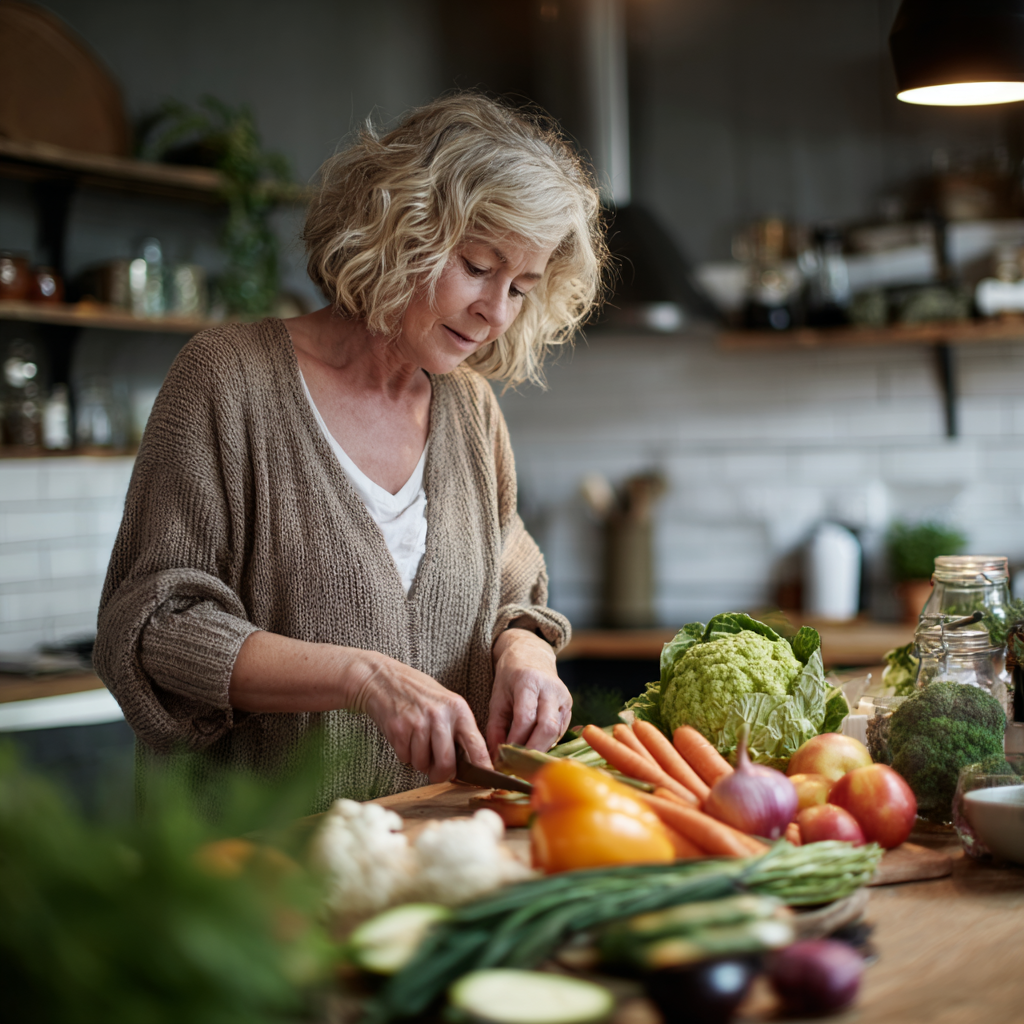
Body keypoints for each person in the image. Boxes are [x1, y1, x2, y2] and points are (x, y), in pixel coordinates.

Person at [95, 94, 607, 807]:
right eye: (478, 266)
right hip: (251, 871)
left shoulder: (469, 410)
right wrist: (363, 678)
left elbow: (510, 583)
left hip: (429, 855)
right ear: (402, 229)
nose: (496, 313)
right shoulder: (227, 380)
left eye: (521, 287)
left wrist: (527, 650)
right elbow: (154, 626)